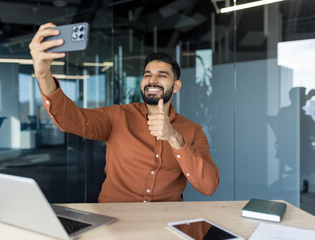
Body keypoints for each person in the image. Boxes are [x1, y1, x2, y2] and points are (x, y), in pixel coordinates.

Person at [29, 23, 219, 203]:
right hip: (116, 219)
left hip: (164, 222)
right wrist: (43, 75)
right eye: (147, 75)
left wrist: (174, 138)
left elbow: (208, 186)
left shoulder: (192, 131)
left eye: (162, 75)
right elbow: (70, 119)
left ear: (176, 86)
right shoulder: (117, 116)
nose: (152, 80)